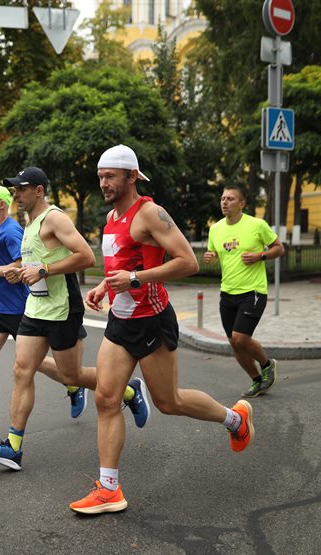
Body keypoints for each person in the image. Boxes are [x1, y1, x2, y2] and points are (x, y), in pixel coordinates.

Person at [69, 145, 255, 514]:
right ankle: (109, 490)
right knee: (107, 399)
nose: (103, 183)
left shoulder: (150, 213)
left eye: (110, 176)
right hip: (120, 322)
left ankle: (236, 418)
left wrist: (135, 278)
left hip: (152, 320)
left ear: (132, 176)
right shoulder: (110, 218)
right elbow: (120, 264)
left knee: (169, 402)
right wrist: (105, 286)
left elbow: (187, 262)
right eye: (100, 176)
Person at [0, 167, 150, 471]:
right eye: (14, 189)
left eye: (22, 188)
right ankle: (12, 447)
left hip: (63, 309)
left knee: (72, 375)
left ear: (39, 190)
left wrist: (44, 270)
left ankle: (130, 391)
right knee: (21, 369)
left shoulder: (54, 217)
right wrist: (22, 273)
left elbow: (86, 256)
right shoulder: (28, 224)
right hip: (35, 308)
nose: (17, 193)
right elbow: (34, 264)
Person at [203, 185, 284, 398]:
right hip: (227, 292)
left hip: (253, 291)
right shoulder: (216, 229)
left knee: (240, 338)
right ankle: (257, 380)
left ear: (242, 203)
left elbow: (279, 247)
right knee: (233, 343)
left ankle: (267, 364)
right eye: (222, 198)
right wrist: (210, 257)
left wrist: (260, 256)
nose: (224, 202)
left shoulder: (257, 225)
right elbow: (216, 253)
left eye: (230, 198)